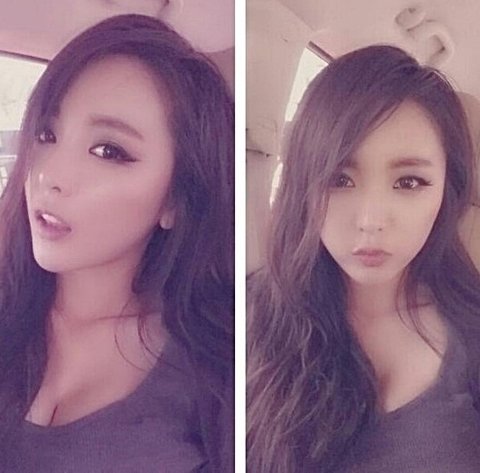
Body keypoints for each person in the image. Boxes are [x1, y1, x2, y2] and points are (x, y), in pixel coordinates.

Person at [0, 14, 233, 473]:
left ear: (175, 199)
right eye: (47, 134)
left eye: (108, 151)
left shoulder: (216, 376)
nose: (50, 175)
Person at [247, 45, 480, 473]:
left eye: (409, 182)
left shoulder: (472, 331)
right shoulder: (247, 314)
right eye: (339, 179)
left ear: (448, 190)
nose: (370, 221)